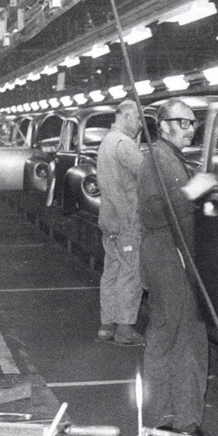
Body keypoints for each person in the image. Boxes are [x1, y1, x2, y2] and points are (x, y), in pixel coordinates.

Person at [137, 98, 209, 436]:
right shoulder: (157, 159)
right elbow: (153, 211)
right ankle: (165, 421)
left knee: (184, 337)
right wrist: (192, 192)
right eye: (184, 122)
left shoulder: (172, 158)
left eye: (193, 123)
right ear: (164, 126)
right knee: (172, 337)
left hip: (175, 255)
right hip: (168, 256)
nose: (190, 129)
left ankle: (180, 419)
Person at [96, 100, 145, 345]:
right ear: (125, 116)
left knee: (112, 271)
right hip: (127, 219)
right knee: (131, 272)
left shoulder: (107, 141)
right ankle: (125, 328)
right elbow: (146, 173)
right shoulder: (124, 144)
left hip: (108, 218)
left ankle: (107, 325)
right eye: (137, 119)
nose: (140, 125)